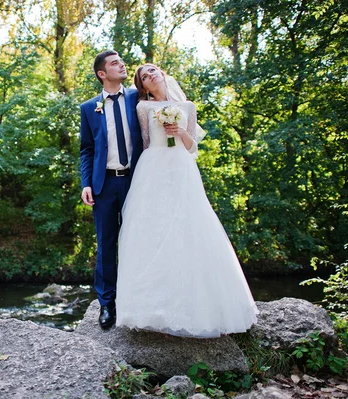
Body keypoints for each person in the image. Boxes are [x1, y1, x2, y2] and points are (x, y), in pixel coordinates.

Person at [115, 64, 258, 337]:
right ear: (143, 87)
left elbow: (192, 147)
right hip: (153, 168)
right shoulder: (143, 108)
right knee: (152, 228)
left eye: (152, 70)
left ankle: (197, 305)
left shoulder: (188, 107)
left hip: (182, 167)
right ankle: (148, 306)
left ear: (162, 73)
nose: (150, 75)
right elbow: (145, 142)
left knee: (189, 225)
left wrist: (178, 132)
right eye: (144, 76)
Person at [79, 50, 143, 329]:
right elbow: (86, 149)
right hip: (104, 184)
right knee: (106, 244)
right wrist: (86, 184)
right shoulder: (88, 108)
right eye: (115, 63)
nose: (122, 65)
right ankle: (107, 304)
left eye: (121, 61)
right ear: (102, 74)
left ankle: (137, 298)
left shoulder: (137, 97)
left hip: (137, 181)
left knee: (138, 241)